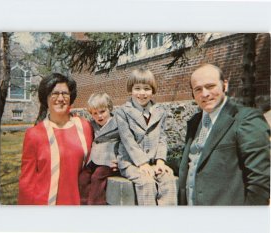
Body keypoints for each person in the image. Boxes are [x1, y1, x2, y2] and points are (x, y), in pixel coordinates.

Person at [178, 63, 270, 205]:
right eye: (198, 89)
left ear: (224, 85)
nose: (204, 94)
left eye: (210, 86)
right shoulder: (194, 122)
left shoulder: (246, 118)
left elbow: (261, 179)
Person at [18, 73, 93, 205]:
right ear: (46, 98)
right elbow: (27, 182)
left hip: (79, 204)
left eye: (65, 93)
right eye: (55, 93)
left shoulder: (84, 127)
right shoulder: (34, 134)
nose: (60, 98)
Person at [115, 68, 177, 205]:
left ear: (152, 90)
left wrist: (160, 161)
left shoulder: (159, 111)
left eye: (147, 88)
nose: (142, 93)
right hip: (131, 162)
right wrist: (142, 163)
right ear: (130, 90)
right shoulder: (122, 112)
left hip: (153, 162)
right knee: (147, 182)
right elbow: (128, 141)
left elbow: (162, 137)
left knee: (168, 178)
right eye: (137, 88)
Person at [79, 93, 120, 205]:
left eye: (102, 112)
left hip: (109, 161)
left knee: (98, 177)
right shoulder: (92, 124)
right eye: (95, 113)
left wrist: (121, 160)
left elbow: (126, 143)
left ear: (109, 109)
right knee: (83, 177)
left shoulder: (118, 123)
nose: (99, 116)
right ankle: (82, 204)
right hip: (94, 159)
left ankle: (95, 205)